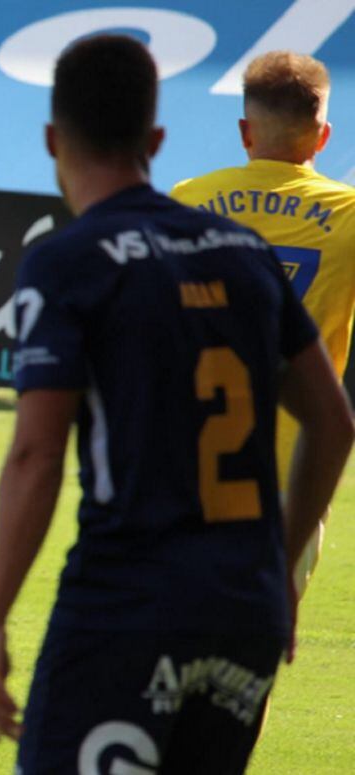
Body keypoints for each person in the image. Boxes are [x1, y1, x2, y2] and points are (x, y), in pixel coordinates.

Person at [0, 35, 353, 773]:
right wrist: (275, 569)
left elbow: (37, 452)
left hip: (131, 595)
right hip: (246, 596)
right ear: (154, 138)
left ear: (54, 139)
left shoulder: (69, 260)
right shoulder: (239, 253)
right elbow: (335, 421)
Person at [171, 50, 355, 597]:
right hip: (292, 480)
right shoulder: (347, 217)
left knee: (160, 659)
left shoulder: (187, 202)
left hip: (185, 471)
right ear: (323, 137)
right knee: (246, 668)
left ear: (245, 130)